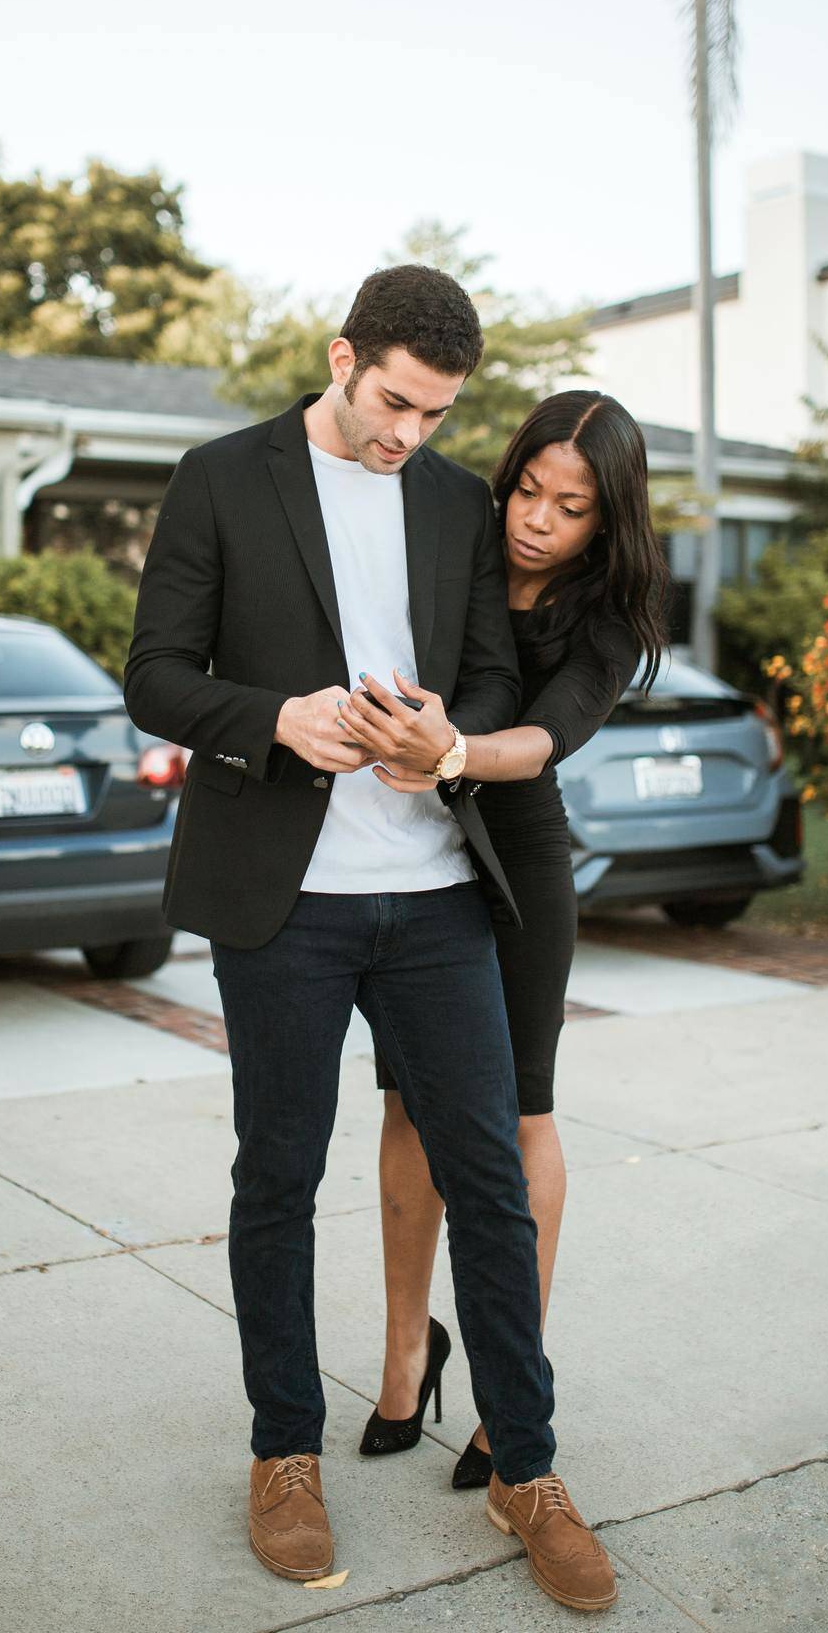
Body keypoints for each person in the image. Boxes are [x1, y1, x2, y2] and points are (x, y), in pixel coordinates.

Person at [124, 270, 618, 1613]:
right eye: (395, 401)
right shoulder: (222, 478)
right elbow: (154, 673)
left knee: (494, 1187)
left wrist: (439, 734)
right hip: (280, 904)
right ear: (343, 359)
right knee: (276, 1181)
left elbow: (499, 677)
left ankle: (528, 1464)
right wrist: (278, 718)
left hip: (437, 897)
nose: (411, 434)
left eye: (438, 413)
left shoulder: (458, 501)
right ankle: (284, 1452)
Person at [337, 390, 667, 1489]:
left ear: (604, 523)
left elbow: (546, 734)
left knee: (523, 1113)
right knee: (407, 1108)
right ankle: (402, 1353)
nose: (536, 519)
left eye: (569, 507)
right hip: (414, 858)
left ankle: (506, 1388)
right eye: (527, 488)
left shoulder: (608, 618)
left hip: (516, 868)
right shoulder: (454, 540)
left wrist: (452, 752)